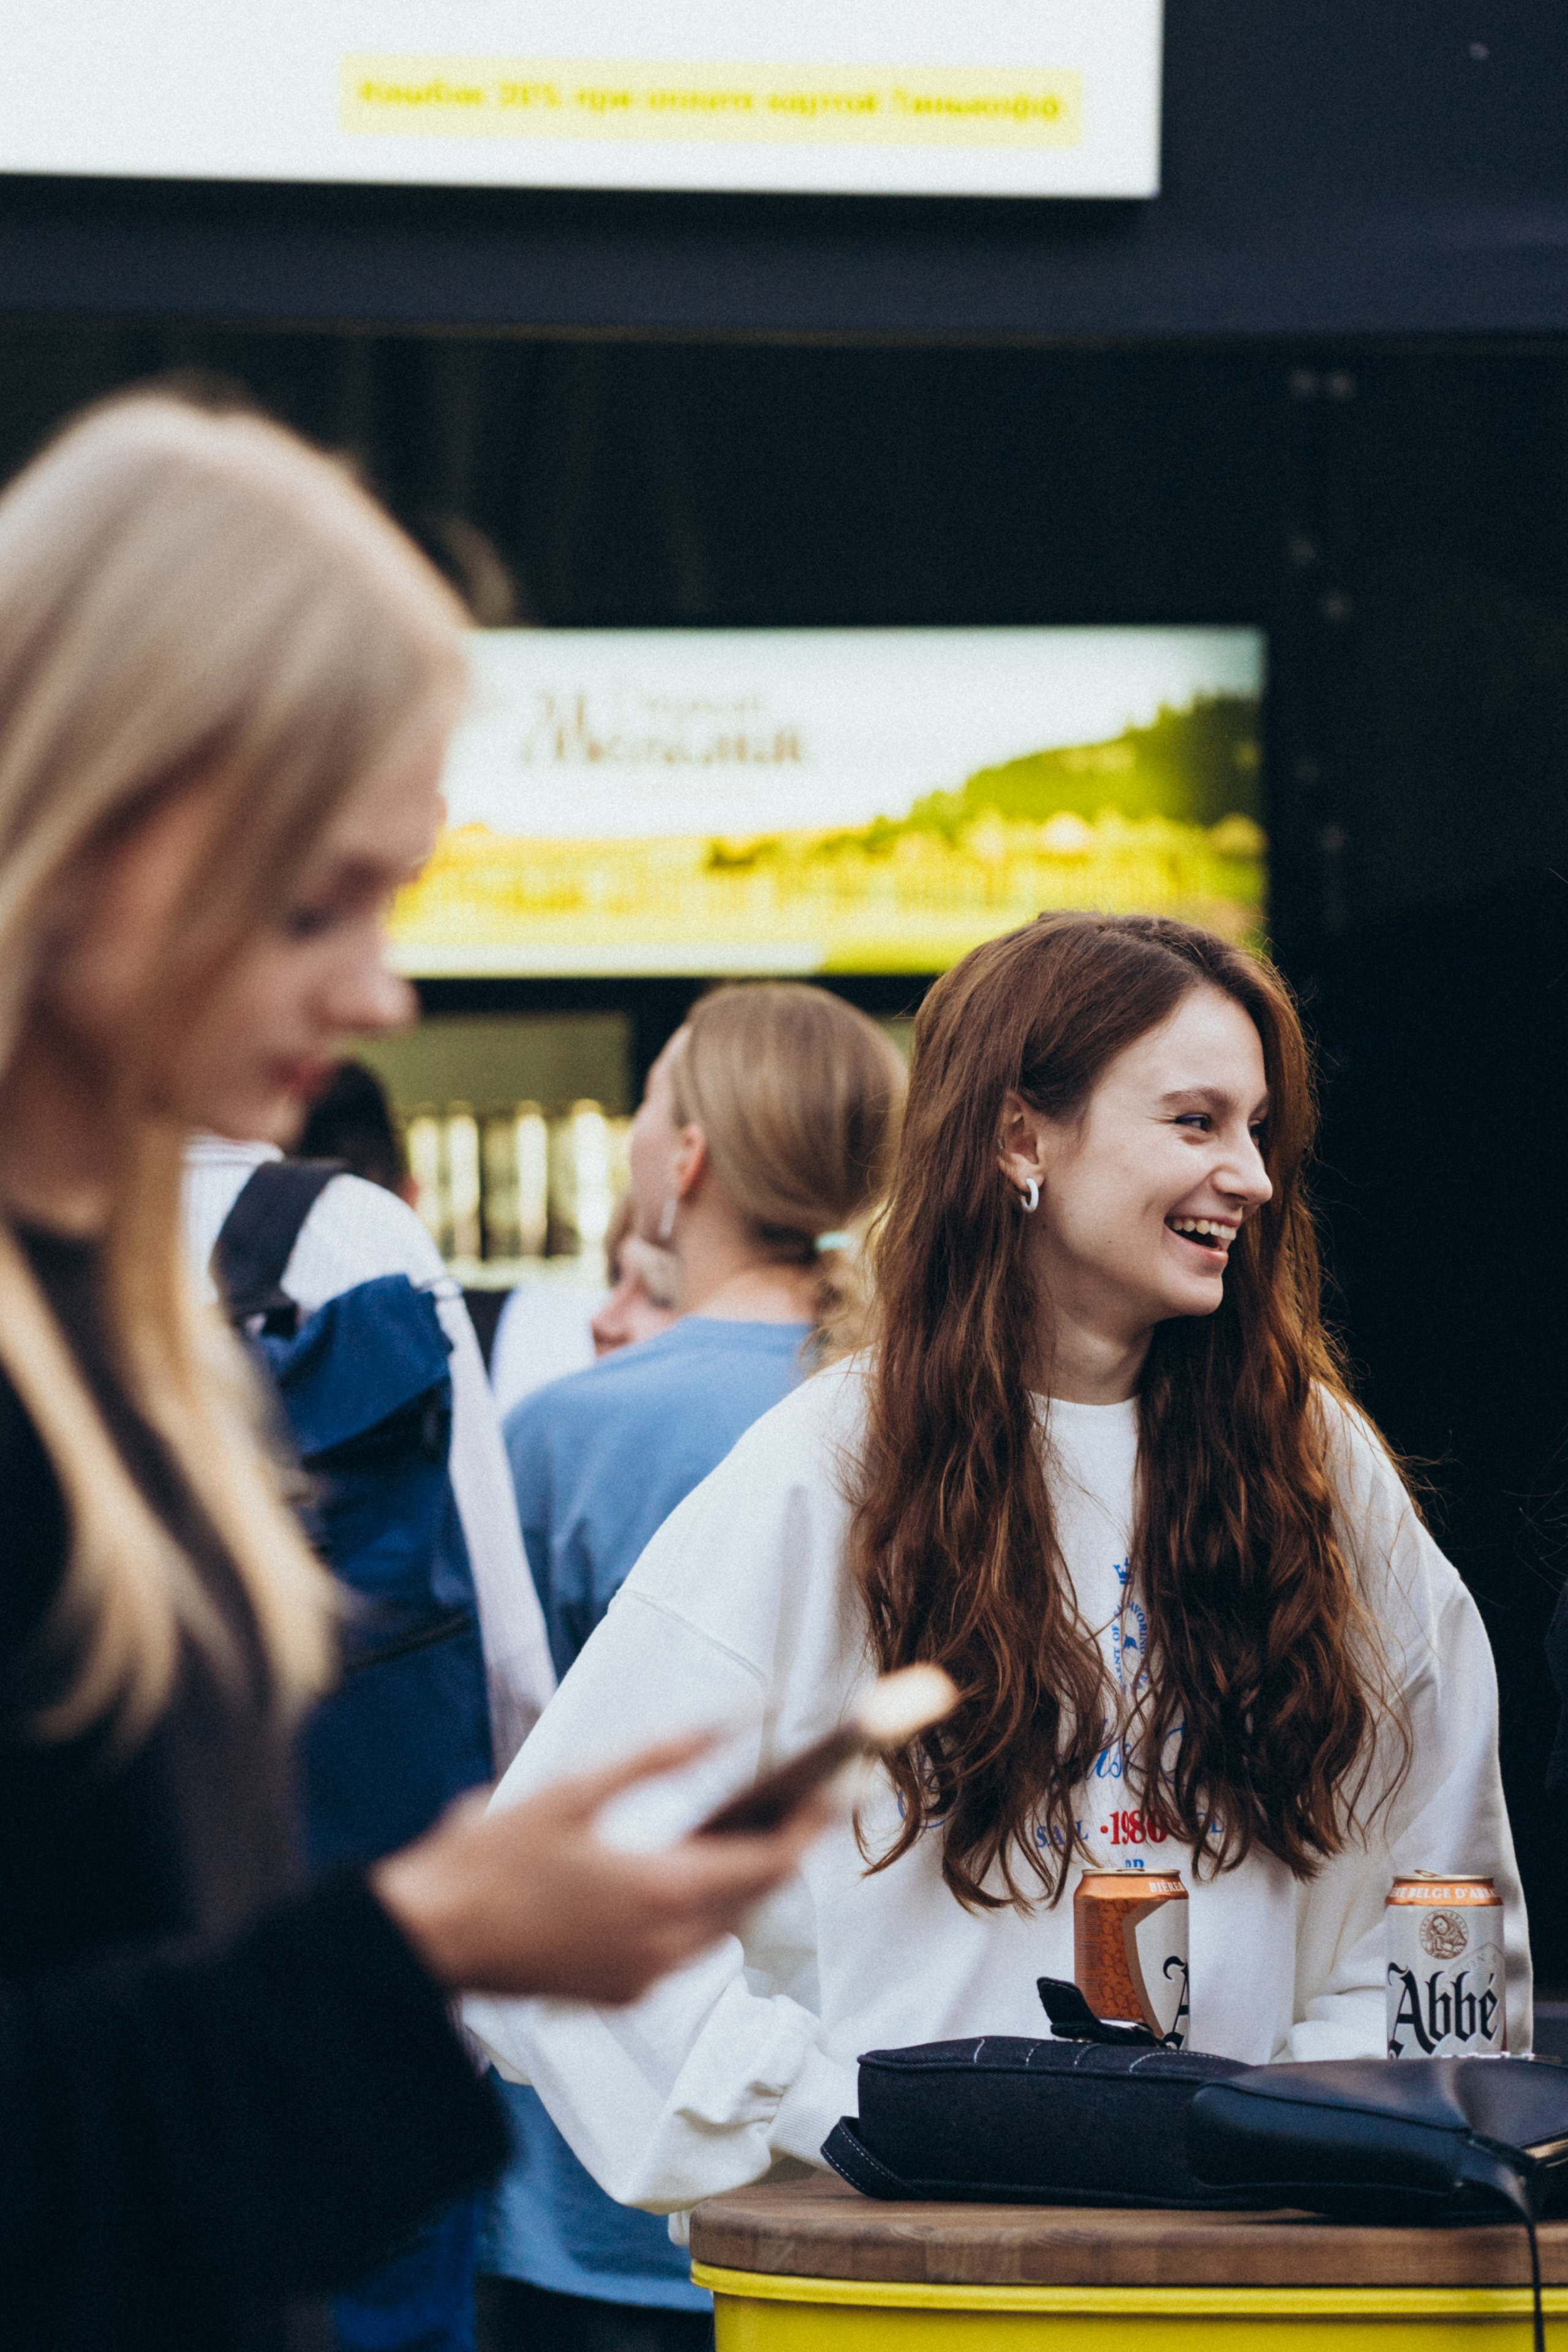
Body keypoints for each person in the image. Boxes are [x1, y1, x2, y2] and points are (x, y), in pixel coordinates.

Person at [0, 389, 821, 2352]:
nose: (384, 992)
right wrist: (431, 1943)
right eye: (318, 903)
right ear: (110, 825)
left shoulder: (117, 1333)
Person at [466, 910, 1531, 2224]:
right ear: (1020, 1135)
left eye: (1257, 1131)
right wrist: (837, 2118)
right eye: (1194, 1122)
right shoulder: (826, 1469)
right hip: (915, 2285)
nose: (1248, 1176)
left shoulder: (1314, 1467)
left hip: (1255, 2279)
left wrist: (1281, 2141)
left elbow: (1440, 1883)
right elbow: (566, 1880)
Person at [477, 984, 906, 2352]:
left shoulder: (561, 1434)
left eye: (648, 1107)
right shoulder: (933, 1420)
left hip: (591, 2184)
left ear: (686, 1160)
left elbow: (500, 1751)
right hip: (854, 2153)